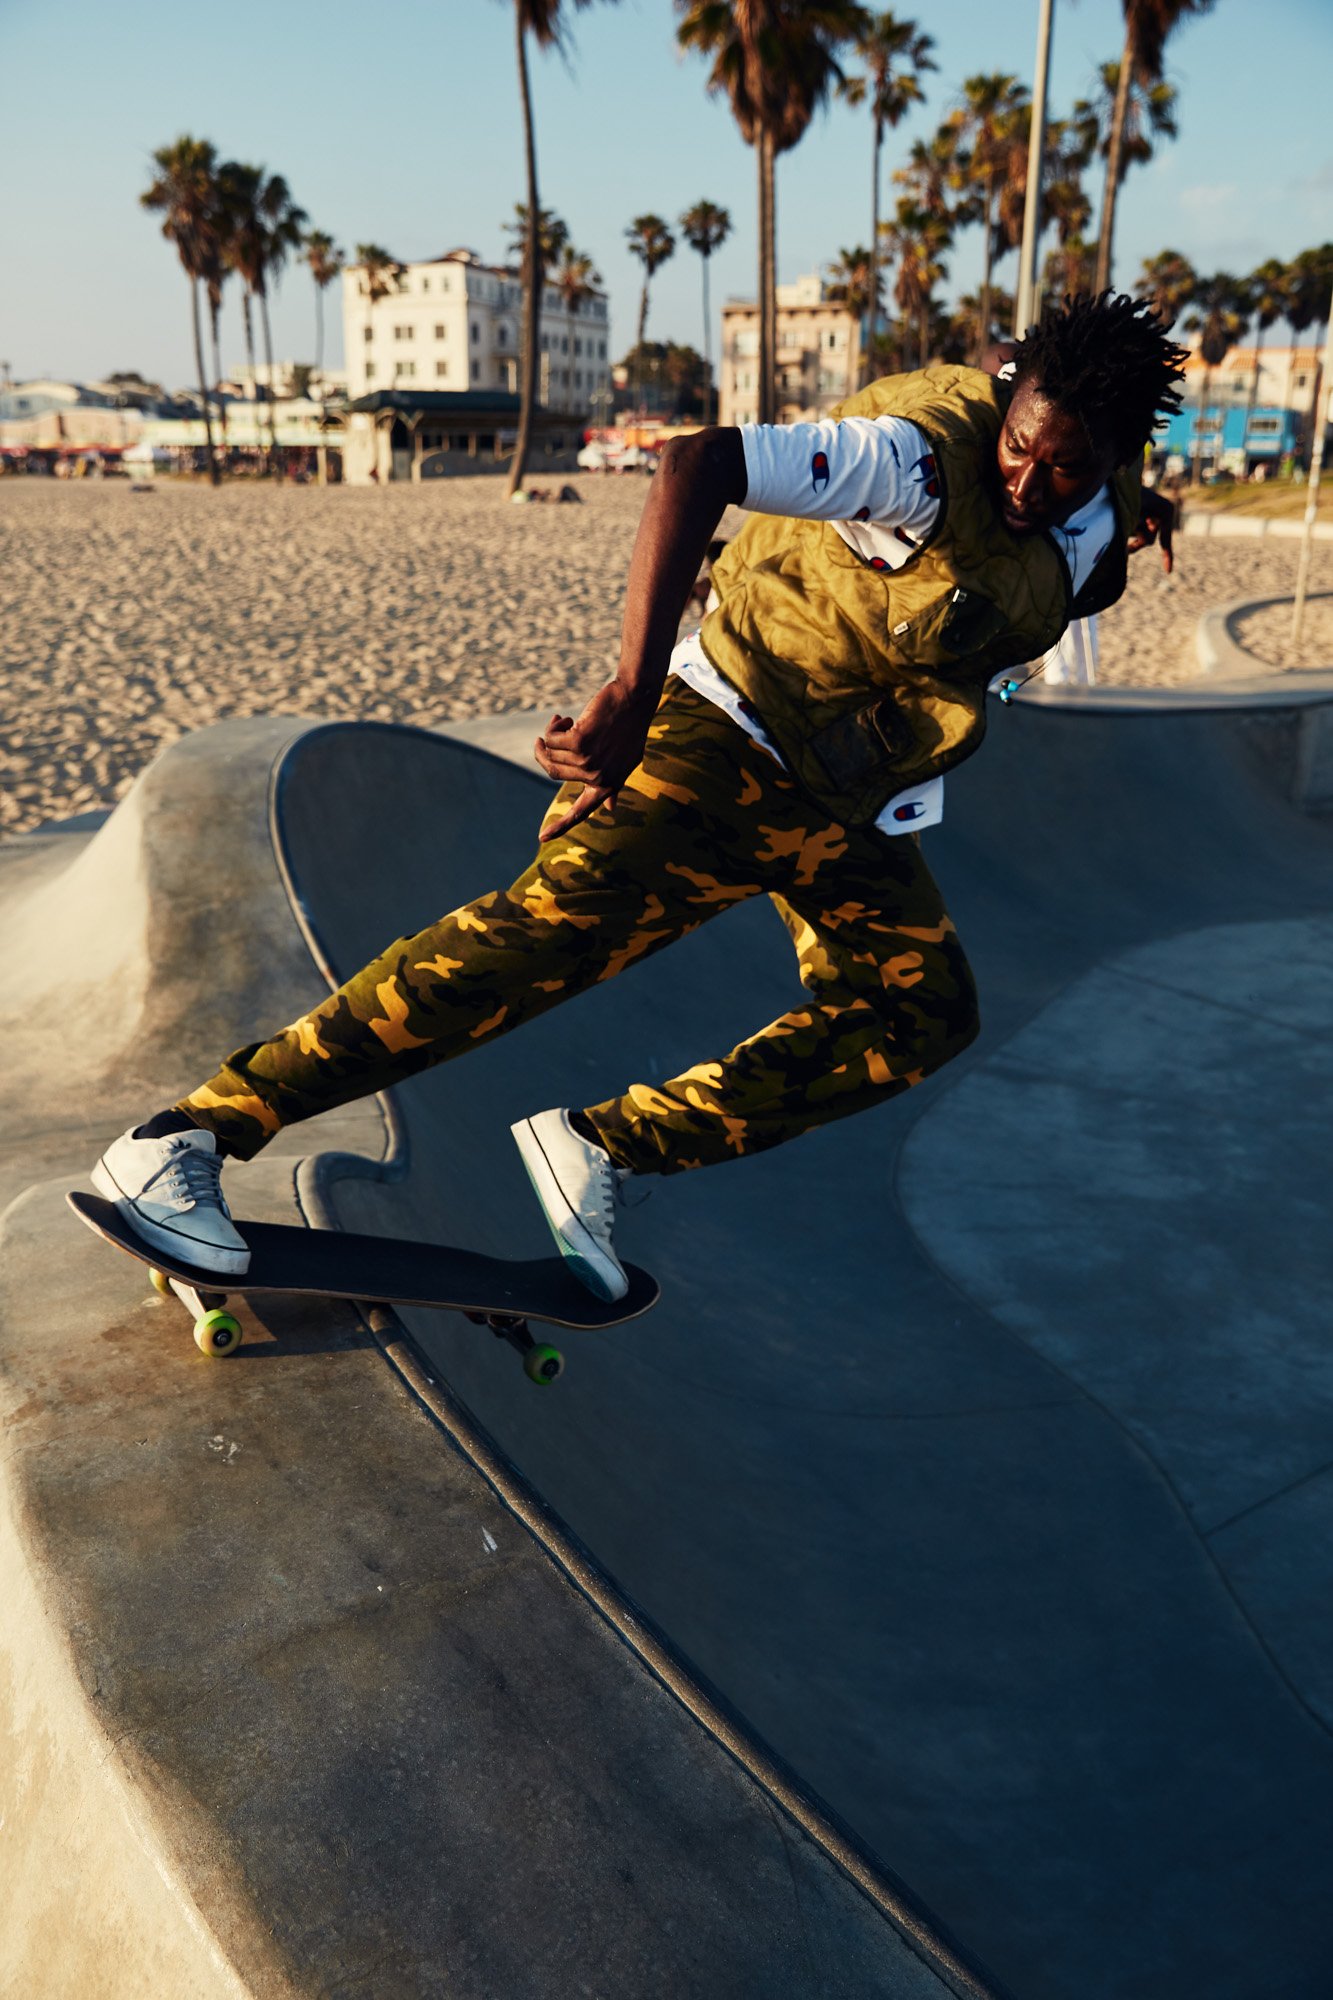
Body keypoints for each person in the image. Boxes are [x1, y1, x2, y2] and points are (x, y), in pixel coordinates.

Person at [93, 293, 1186, 1302]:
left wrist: (1136, 521)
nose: (1027, 484)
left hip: (839, 801)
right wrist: (632, 685)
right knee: (525, 950)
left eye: (1065, 471)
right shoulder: (914, 459)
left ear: (1115, 459)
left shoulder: (1101, 503)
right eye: (1019, 448)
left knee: (922, 1012)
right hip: (722, 737)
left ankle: (603, 1143)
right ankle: (186, 1137)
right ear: (1004, 400)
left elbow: (1079, 555)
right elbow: (691, 464)